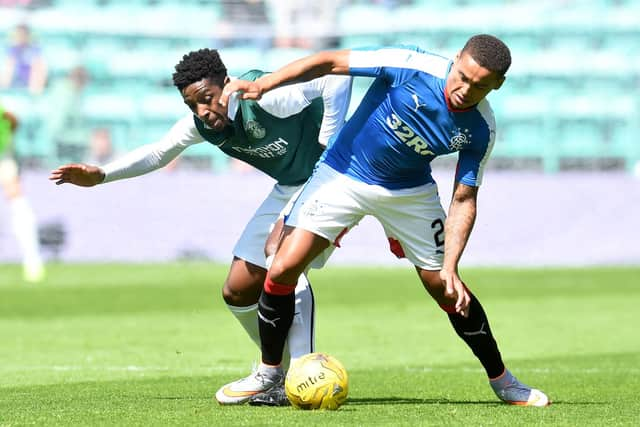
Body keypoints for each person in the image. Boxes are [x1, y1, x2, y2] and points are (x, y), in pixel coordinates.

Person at [217, 34, 551, 406]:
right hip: (343, 173)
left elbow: (464, 197)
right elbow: (329, 62)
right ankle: (269, 372)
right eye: (463, 76)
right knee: (281, 268)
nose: (465, 89)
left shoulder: (480, 128)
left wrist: (452, 266)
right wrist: (264, 83)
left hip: (409, 194)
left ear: (497, 86)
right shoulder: (411, 65)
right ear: (456, 59)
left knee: (446, 289)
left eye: (480, 86)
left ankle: (503, 381)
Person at [48, 48, 353, 406]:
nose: (202, 112)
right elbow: (159, 152)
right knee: (238, 290)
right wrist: (101, 175)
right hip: (292, 186)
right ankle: (279, 371)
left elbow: (334, 77)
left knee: (281, 258)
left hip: (336, 177)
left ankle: (303, 375)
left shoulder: (265, 96)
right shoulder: (203, 125)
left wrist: (329, 143)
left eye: (207, 99)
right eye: (192, 105)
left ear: (226, 84)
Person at [0, 103, 45, 282]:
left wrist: (8, 143)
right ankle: (33, 261)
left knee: (17, 201)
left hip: (3, 157)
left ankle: (32, 260)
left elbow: (11, 118)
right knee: (17, 201)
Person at [0, 23, 48, 95]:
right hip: (14, 86)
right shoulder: (11, 50)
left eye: (22, 35)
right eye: (18, 35)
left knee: (39, 65)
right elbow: (7, 70)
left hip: (31, 87)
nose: (20, 37)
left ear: (28, 36)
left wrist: (35, 89)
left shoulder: (35, 50)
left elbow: (39, 69)